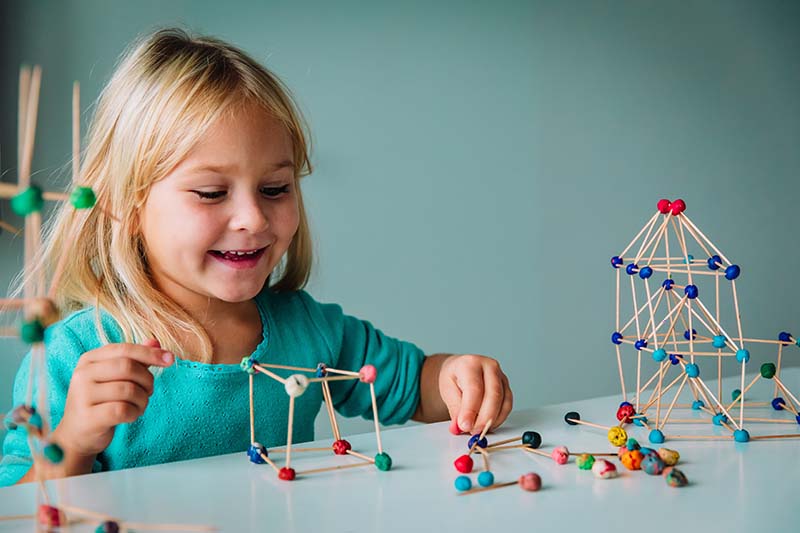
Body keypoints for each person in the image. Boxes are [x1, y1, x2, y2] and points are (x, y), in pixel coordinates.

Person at [0, 28, 512, 486]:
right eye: (210, 192)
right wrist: (71, 440)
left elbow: (413, 386)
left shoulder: (310, 331)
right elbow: (19, 508)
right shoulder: (75, 354)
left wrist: (458, 377)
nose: (253, 218)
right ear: (126, 206)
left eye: (274, 188)